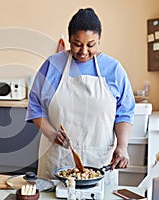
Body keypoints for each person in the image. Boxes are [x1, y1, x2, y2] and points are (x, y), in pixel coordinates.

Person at [26, 8, 135, 184]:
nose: (83, 51)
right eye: (77, 44)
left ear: (99, 40)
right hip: (57, 159)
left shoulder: (114, 69)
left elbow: (125, 112)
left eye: (91, 45)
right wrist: (51, 133)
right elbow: (35, 106)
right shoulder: (52, 65)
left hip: (100, 161)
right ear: (69, 39)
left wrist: (122, 146)